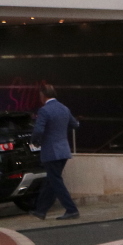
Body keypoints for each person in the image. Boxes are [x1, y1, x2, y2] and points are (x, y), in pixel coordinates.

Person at [30, 84, 80, 220]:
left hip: (51, 152)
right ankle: (41, 210)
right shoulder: (64, 108)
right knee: (51, 181)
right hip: (63, 150)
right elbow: (75, 124)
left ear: (43, 95)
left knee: (56, 182)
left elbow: (39, 130)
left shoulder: (44, 110)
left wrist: (35, 141)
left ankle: (71, 209)